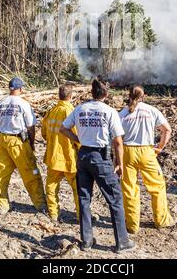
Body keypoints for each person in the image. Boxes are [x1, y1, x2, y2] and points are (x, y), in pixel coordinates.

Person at [60, 78, 136, 254]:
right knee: (115, 199)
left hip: (83, 155)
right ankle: (122, 242)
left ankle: (86, 241)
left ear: (91, 93)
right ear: (106, 94)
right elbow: (118, 141)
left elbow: (63, 129)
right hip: (101, 157)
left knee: (84, 199)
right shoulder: (109, 112)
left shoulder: (80, 109)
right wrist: (119, 162)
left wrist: (78, 139)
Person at [119, 85, 174, 234]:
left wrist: (116, 158)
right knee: (157, 186)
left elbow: (117, 138)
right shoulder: (151, 110)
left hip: (127, 151)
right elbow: (167, 130)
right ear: (144, 96)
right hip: (147, 152)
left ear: (129, 95)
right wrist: (160, 147)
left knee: (129, 189)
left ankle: (132, 225)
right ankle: (161, 221)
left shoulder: (123, 113)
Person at [0, 77, 46, 215]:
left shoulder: (1, 103)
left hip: (3, 140)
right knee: (31, 172)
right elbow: (31, 126)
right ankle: (40, 205)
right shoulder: (23, 104)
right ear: (20, 89)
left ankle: (2, 206)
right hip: (18, 142)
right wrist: (31, 143)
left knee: (0, 174)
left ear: (10, 88)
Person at [41, 84, 79, 222]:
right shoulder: (71, 112)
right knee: (77, 188)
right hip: (68, 157)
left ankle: (53, 213)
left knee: (51, 186)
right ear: (71, 96)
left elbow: (44, 133)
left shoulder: (51, 111)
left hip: (53, 157)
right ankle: (82, 216)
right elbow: (77, 134)